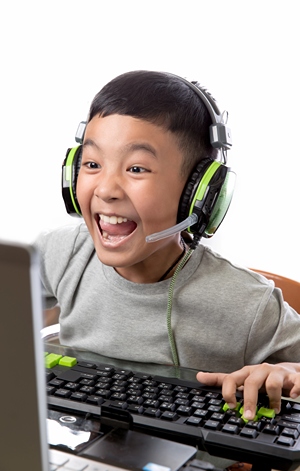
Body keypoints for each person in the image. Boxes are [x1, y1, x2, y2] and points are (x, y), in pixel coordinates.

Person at [36, 70, 300, 452]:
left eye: (136, 169)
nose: (106, 189)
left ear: (199, 195)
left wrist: (287, 372)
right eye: (91, 164)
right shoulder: (63, 253)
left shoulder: (248, 305)